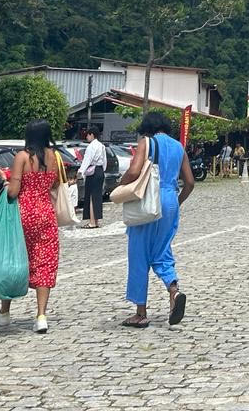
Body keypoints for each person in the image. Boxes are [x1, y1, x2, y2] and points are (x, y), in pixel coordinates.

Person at [120, 111, 194, 327]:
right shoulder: (178, 147)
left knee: (139, 253)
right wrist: (176, 202)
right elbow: (190, 182)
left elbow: (134, 171)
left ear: (147, 128)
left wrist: (121, 185)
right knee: (162, 250)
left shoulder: (147, 142)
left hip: (149, 199)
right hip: (170, 200)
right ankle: (174, 290)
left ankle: (140, 312)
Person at [0, 118, 60, 333]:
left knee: (13, 260)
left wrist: (4, 179)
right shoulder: (54, 156)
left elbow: (13, 192)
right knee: (45, 262)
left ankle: (4, 312)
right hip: (46, 214)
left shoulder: (22, 157)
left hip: (24, 215)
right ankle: (41, 316)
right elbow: (55, 184)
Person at [79, 127, 107, 229]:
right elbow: (105, 161)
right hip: (100, 170)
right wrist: (102, 170)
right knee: (98, 196)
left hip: (93, 172)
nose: (86, 137)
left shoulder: (91, 147)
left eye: (87, 135)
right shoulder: (101, 146)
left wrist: (81, 171)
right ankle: (96, 221)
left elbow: (87, 160)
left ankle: (92, 222)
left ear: (91, 135)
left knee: (91, 196)